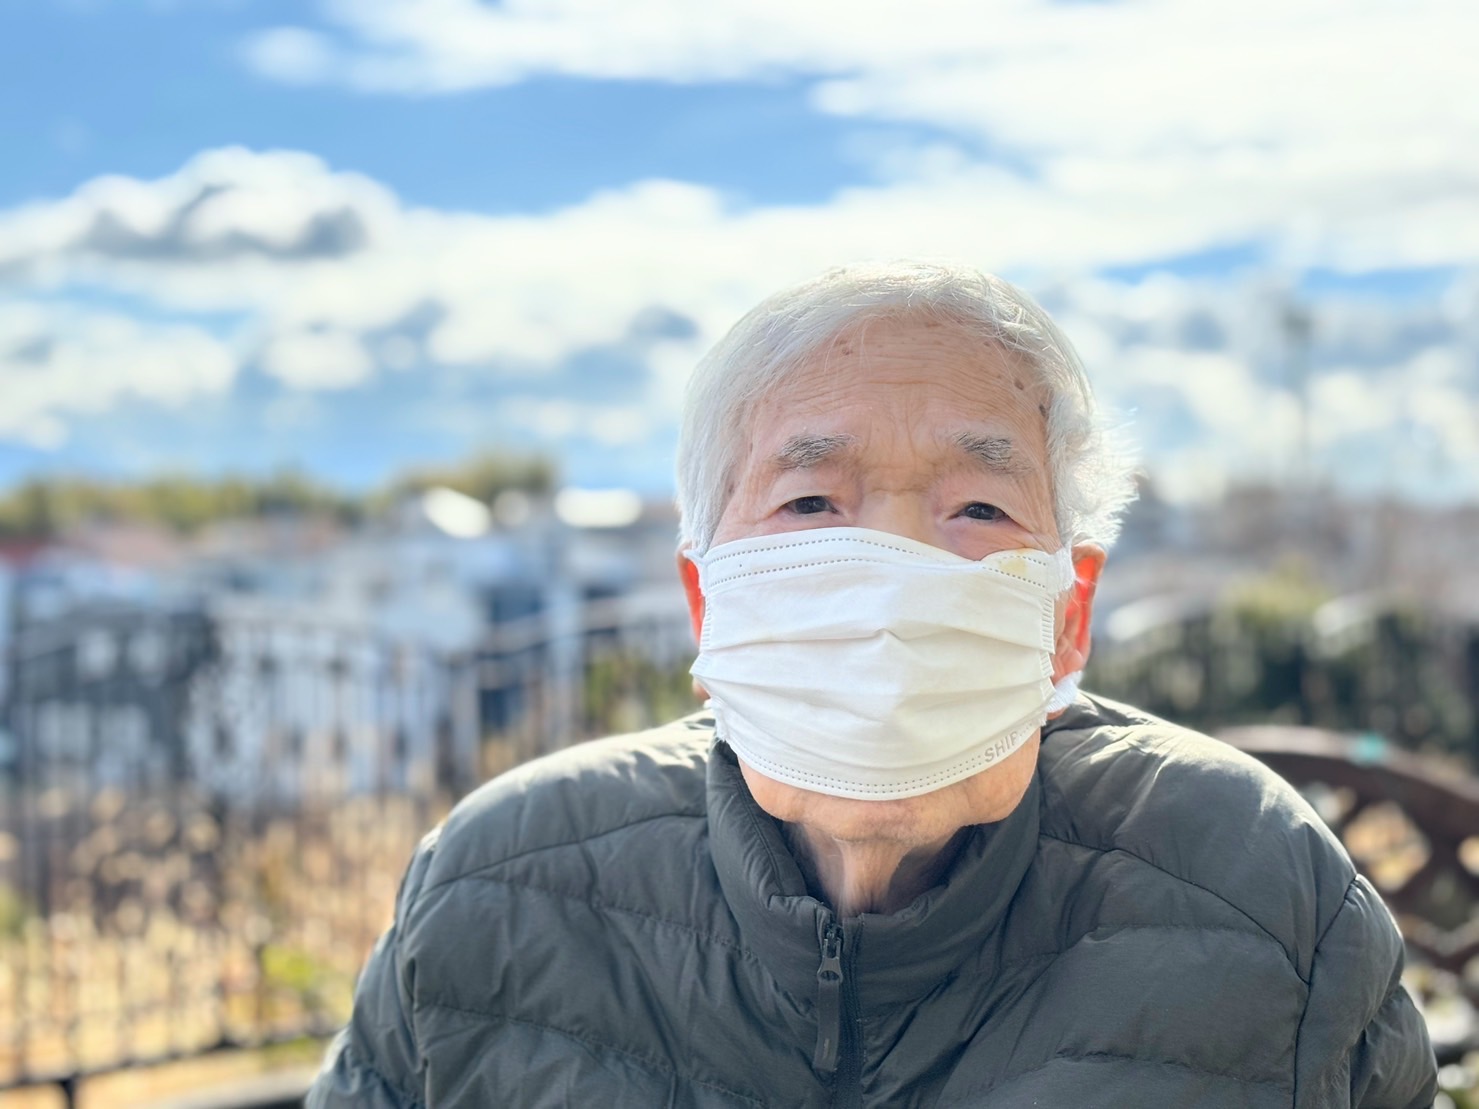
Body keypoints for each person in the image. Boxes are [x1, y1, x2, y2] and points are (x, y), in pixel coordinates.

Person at [307, 262, 1438, 1107]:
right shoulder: (490, 897)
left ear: (1068, 612)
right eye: (811, 503)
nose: (894, 578)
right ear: (708, 602)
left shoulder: (1268, 903)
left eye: (977, 508)